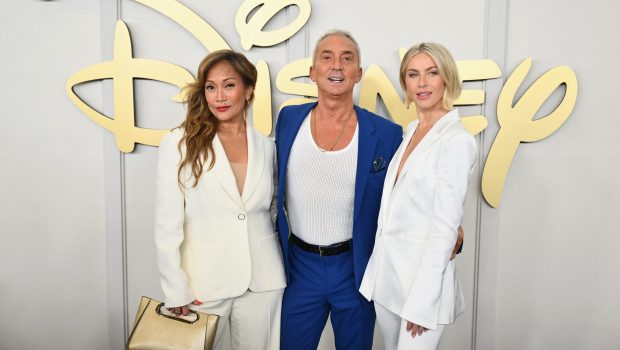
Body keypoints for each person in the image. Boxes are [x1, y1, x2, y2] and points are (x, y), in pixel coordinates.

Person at [274, 30, 403, 350]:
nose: (337, 65)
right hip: (300, 268)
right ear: (312, 71)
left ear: (358, 73)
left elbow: (404, 197)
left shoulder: (386, 133)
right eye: (327, 57)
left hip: (356, 268)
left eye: (347, 58)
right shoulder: (289, 120)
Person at [154, 50, 286, 350]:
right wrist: (176, 290)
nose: (219, 96)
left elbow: (274, 211)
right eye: (211, 87)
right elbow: (167, 226)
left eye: (229, 85)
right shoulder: (178, 144)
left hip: (262, 282)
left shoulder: (267, 147)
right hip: (202, 284)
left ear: (248, 90)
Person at [359, 42, 477, 350]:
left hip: (422, 290)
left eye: (432, 73)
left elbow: (445, 226)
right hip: (388, 281)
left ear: (446, 78)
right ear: (406, 84)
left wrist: (423, 301)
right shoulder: (411, 131)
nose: (422, 83)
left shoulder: (456, 141)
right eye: (413, 75)